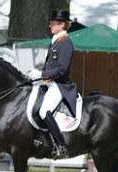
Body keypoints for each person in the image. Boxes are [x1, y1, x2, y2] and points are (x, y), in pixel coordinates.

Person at [39, 10, 77, 159]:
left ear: (62, 24)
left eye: (53, 23)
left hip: (59, 86)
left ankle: (61, 146)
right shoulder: (56, 41)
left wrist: (42, 75)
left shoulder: (65, 43)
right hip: (48, 83)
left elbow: (61, 70)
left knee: (44, 111)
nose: (50, 25)